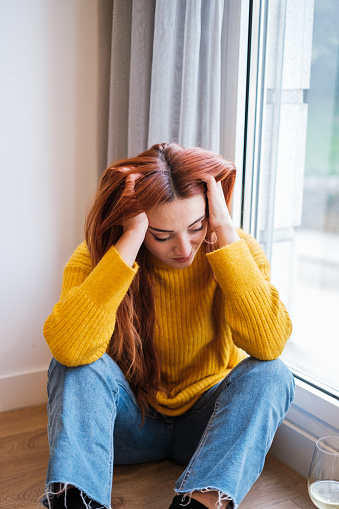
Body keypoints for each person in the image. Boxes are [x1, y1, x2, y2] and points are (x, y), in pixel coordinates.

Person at [41, 143, 295, 509]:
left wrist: (223, 230)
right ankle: (78, 502)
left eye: (195, 226)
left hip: (205, 432)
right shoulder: (97, 256)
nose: (184, 248)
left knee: (274, 374)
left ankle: (200, 504)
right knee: (76, 366)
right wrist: (128, 244)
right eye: (161, 235)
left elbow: (269, 344)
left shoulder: (237, 249)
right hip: (126, 427)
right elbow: (68, 349)